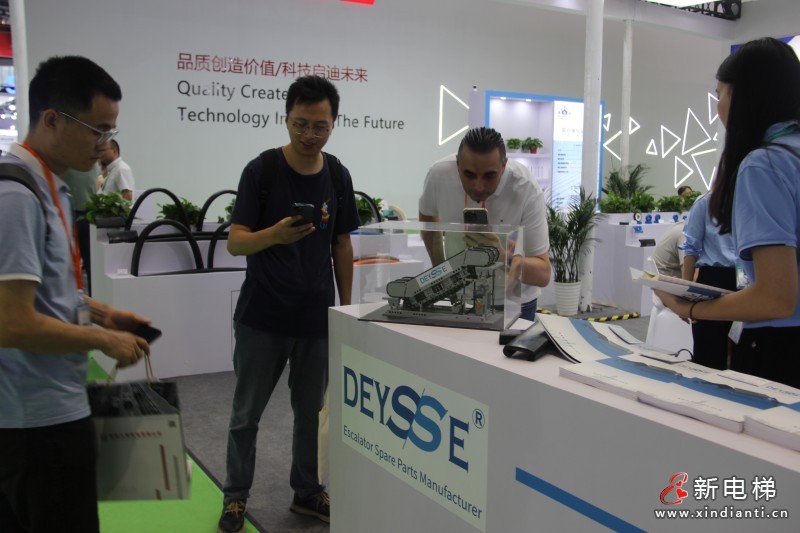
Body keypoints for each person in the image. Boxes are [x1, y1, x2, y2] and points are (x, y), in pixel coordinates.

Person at [0, 55, 151, 533]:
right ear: (51, 119)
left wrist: (102, 312)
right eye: (96, 130)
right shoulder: (16, 196)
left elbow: (49, 291)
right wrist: (104, 341)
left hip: (57, 405)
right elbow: (12, 322)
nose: (104, 145)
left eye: (110, 132)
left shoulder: (53, 186)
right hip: (32, 422)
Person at [218, 75, 359, 533]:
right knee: (246, 414)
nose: (309, 135)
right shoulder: (261, 171)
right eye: (300, 124)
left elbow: (341, 243)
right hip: (262, 316)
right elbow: (236, 242)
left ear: (334, 124)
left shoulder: (337, 175)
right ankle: (235, 497)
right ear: (286, 119)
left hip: (315, 318)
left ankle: (307, 491)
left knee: (309, 413)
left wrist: (345, 310)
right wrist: (274, 235)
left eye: (319, 126)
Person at [656, 37, 800, 389]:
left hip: (781, 348)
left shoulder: (765, 165)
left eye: (719, 93)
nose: (718, 105)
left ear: (743, 97)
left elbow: (777, 298)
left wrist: (689, 308)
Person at [418, 127, 551, 321]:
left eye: (489, 176)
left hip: (513, 304)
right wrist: (443, 278)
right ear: (457, 164)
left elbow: (543, 274)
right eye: (469, 175)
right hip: (460, 298)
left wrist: (502, 256)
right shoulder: (439, 175)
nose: (478, 186)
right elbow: (428, 222)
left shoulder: (526, 188)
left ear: (504, 166)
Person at [681, 193, 737, 370]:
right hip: (713, 279)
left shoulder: (750, 199)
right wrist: (686, 291)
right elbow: (691, 249)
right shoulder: (705, 202)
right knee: (708, 351)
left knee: (742, 352)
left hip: (746, 280)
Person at [61, 163, 101, 294]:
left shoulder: (67, 164)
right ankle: (93, 294)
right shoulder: (93, 165)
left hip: (72, 215)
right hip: (88, 215)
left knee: (68, 262)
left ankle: (71, 295)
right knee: (90, 263)